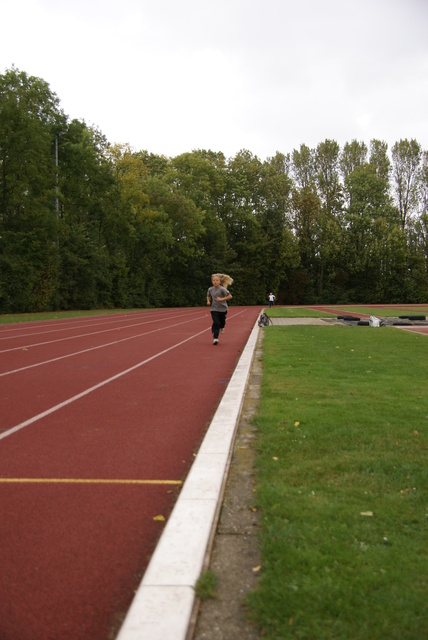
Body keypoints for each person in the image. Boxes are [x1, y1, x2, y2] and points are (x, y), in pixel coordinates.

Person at [206, 273, 233, 345]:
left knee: (222, 322)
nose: (215, 282)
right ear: (212, 281)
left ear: (220, 281)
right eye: (214, 280)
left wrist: (222, 299)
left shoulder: (222, 289)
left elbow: (230, 296)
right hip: (214, 309)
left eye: (217, 280)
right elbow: (208, 295)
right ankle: (215, 338)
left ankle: (222, 326)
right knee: (216, 322)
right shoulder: (210, 289)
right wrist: (208, 301)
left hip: (223, 309)